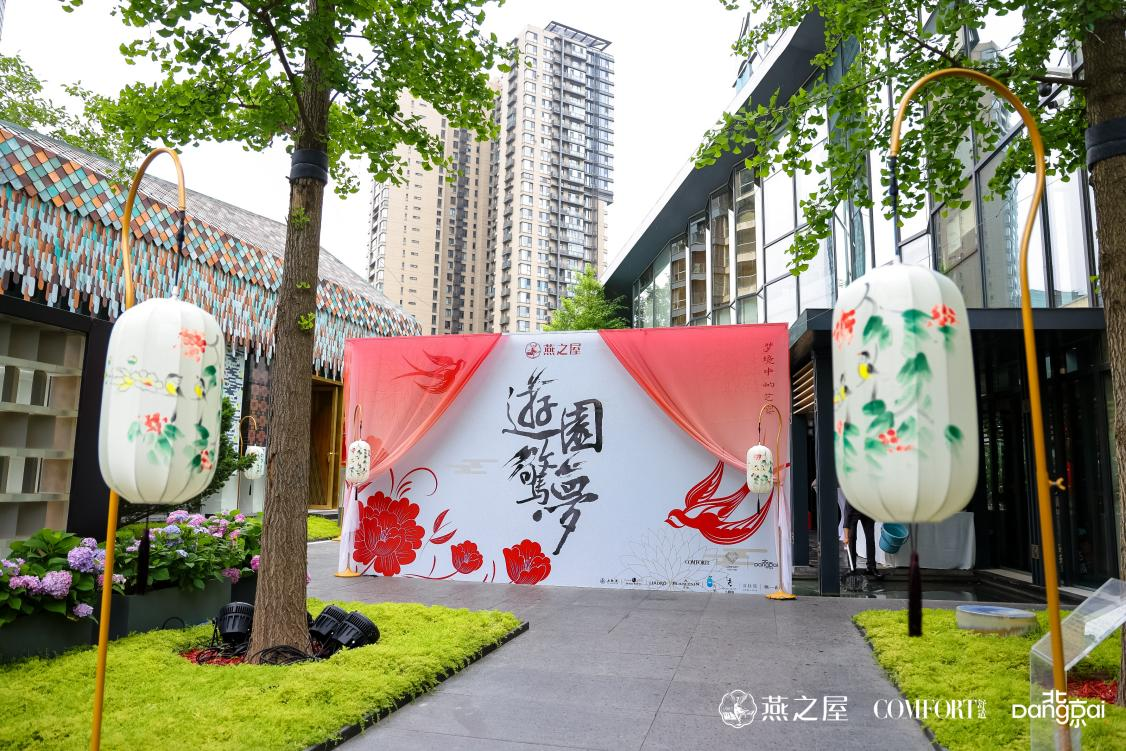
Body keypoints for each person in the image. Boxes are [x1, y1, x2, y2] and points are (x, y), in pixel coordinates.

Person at [841, 489, 884, 580]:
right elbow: (847, 521)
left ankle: (871, 567)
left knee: (870, 538)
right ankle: (852, 568)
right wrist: (846, 537)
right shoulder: (851, 499)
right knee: (851, 538)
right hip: (854, 510)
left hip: (867, 511)